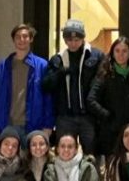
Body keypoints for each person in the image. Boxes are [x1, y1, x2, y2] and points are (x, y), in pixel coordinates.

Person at [42, 19, 104, 155]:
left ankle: (91, 177)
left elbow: (102, 85)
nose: (73, 43)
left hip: (89, 116)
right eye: (69, 39)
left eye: (77, 39)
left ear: (83, 38)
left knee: (92, 155)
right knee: (64, 155)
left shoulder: (96, 56)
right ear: (64, 40)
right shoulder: (57, 59)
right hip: (65, 117)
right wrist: (61, 72)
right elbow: (46, 85)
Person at [0, 23, 53, 138]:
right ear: (13, 40)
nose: (22, 40)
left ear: (31, 39)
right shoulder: (1, 67)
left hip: (33, 127)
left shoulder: (42, 66)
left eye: (25, 36)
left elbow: (49, 97)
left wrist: (48, 125)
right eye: (18, 36)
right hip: (6, 126)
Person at [86, 36, 129, 157]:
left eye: (124, 51)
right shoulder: (105, 73)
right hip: (111, 132)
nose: (120, 54)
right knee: (112, 167)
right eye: (117, 51)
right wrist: (107, 116)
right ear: (112, 53)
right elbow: (91, 100)